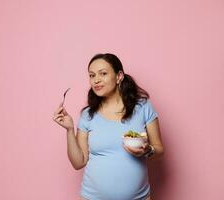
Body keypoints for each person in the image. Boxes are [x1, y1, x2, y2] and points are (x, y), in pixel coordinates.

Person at [53, 53, 164, 200]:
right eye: (92, 76)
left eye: (103, 74)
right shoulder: (87, 115)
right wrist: (69, 129)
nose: (96, 80)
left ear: (119, 76)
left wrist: (147, 150)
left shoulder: (143, 107)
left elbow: (159, 149)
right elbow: (78, 162)